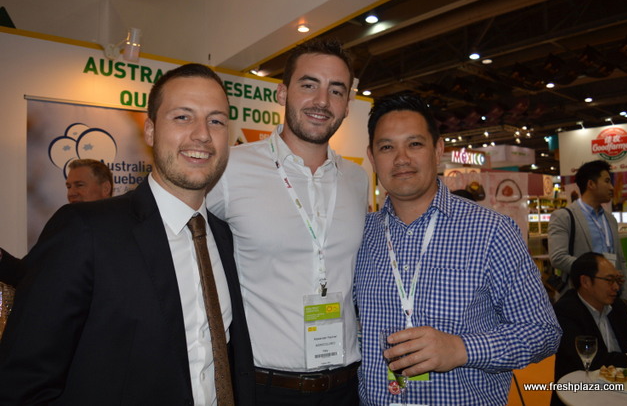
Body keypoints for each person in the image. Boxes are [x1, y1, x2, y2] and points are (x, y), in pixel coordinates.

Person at [0, 64, 255, 405]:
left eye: (217, 121)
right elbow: (23, 383)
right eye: (182, 117)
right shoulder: (85, 231)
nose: (202, 135)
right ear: (149, 131)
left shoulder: (224, 237)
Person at [355, 93, 561, 405]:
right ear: (372, 157)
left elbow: (543, 332)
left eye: (414, 144)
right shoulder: (360, 235)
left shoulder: (492, 232)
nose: (401, 158)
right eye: (387, 147)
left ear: (438, 150)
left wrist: (462, 349)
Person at [207, 38, 368, 405]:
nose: (322, 101)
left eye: (336, 90)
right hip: (267, 388)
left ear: (347, 105)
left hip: (346, 387)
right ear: (282, 93)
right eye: (309, 85)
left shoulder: (356, 179)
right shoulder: (231, 169)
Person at [0, 158, 114, 288]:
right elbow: (26, 273)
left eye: (79, 185)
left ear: (105, 188)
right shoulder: (63, 228)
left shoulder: (124, 229)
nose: (71, 193)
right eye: (68, 187)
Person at [548, 159, 627, 304]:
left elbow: (620, 259)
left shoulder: (610, 219)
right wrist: (598, 271)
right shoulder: (564, 217)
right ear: (591, 184)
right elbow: (558, 257)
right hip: (581, 297)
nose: (612, 187)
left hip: (613, 296)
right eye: (607, 181)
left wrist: (625, 295)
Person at [554, 252, 627, 380]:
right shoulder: (565, 311)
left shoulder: (617, 306)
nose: (616, 287)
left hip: (623, 384)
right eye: (609, 280)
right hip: (582, 386)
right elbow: (590, 360)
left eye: (617, 280)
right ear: (586, 281)